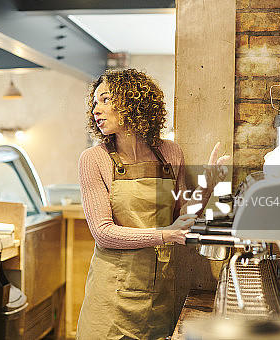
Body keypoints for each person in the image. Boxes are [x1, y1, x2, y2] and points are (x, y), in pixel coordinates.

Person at [75, 69, 229, 339]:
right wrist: (165, 234)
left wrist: (207, 185)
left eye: (106, 99)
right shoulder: (94, 159)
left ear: (133, 101)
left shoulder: (170, 152)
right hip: (111, 296)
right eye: (95, 102)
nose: (96, 110)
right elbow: (103, 233)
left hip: (159, 293)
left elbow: (184, 216)